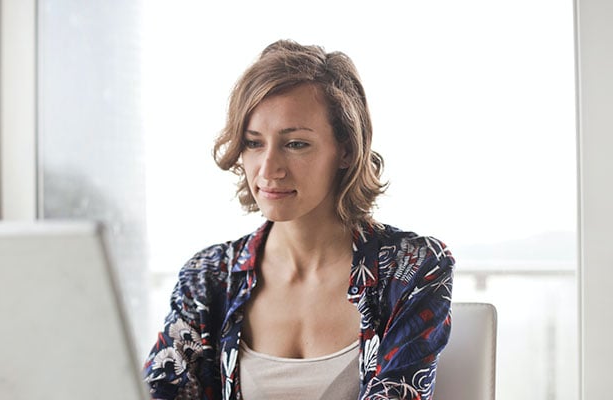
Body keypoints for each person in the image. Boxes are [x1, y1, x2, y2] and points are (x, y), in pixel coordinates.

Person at [143, 39, 454, 400]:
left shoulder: (412, 268)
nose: (268, 169)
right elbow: (157, 392)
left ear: (346, 150)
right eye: (253, 143)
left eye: (295, 144)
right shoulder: (209, 277)